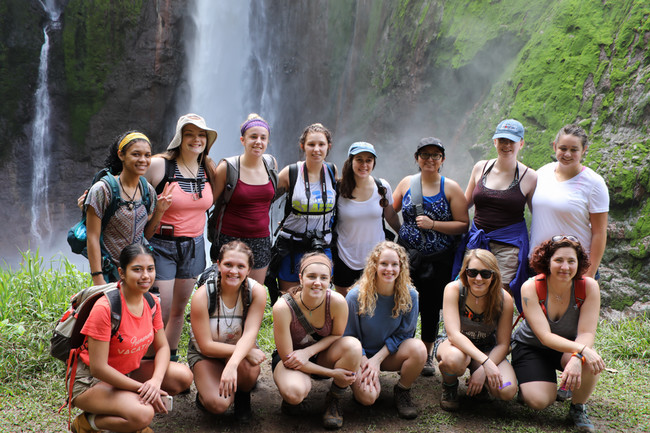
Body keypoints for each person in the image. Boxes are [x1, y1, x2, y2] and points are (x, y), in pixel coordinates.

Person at [68, 244, 193, 433]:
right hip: (90, 382)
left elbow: (163, 348)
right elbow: (98, 368)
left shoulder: (151, 302)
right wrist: (142, 389)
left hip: (127, 372)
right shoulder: (106, 308)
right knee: (143, 414)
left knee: (182, 376)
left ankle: (128, 415)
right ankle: (86, 424)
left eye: (150, 269)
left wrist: (155, 382)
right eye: (137, 269)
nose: (145, 276)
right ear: (122, 273)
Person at [392, 137, 469, 376]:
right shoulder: (407, 183)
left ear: (442, 160)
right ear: (417, 158)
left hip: (439, 258)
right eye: (425, 155)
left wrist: (433, 224)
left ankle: (425, 354)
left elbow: (463, 224)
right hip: (407, 256)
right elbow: (390, 208)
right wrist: (400, 233)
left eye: (436, 155)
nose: (430, 159)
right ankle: (400, 349)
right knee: (401, 300)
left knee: (432, 304)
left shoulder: (451, 188)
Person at [512, 236, 605, 433]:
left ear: (579, 263)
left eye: (571, 261)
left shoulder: (589, 287)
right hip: (532, 346)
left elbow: (587, 332)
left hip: (567, 347)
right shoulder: (531, 287)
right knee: (538, 401)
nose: (565, 267)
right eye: (559, 260)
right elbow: (544, 336)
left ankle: (577, 406)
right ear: (547, 261)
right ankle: (529, 382)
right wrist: (579, 350)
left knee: (589, 360)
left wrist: (577, 357)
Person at [146, 113, 218, 362]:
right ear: (179, 138)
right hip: (161, 246)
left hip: (195, 246)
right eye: (189, 134)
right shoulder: (159, 166)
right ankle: (148, 362)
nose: (196, 139)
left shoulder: (208, 168)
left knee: (178, 311)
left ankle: (171, 360)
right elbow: (127, 184)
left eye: (201, 135)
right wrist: (97, 192)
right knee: (160, 311)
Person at [272, 252, 361, 430]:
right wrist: (334, 374)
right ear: (301, 278)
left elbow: (337, 335)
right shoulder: (283, 307)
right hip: (290, 360)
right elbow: (289, 357)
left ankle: (334, 399)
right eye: (311, 276)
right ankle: (291, 403)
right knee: (294, 392)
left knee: (353, 346)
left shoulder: (337, 302)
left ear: (330, 280)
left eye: (323, 277)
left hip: (322, 355)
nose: (317, 282)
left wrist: (308, 352)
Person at [455, 119, 537, 312]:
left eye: (511, 141)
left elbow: (538, 214)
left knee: (501, 294)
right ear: (494, 142)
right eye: (502, 140)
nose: (506, 145)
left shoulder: (530, 177)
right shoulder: (480, 168)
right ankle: (471, 333)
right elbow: (465, 203)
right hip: (477, 242)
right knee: (470, 288)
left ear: (521, 143)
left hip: (509, 246)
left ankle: (499, 338)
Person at [344, 241, 427, 419]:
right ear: (374, 265)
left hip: (389, 355)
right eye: (383, 263)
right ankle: (359, 381)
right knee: (368, 398)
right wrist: (366, 360)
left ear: (401, 267)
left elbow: (405, 333)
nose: (389, 269)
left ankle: (403, 390)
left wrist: (378, 360)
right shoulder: (355, 296)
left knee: (419, 349)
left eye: (394, 264)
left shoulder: (410, 295)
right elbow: (349, 336)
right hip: (361, 355)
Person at [188, 241, 267, 422]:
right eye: (228, 265)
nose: (233, 271)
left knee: (249, 369)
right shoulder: (203, 295)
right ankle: (204, 395)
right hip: (206, 354)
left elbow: (249, 334)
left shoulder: (257, 292)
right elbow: (206, 346)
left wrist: (233, 363)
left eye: (241, 266)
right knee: (218, 404)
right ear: (218, 265)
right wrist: (246, 352)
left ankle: (242, 397)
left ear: (248, 270)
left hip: (238, 349)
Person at [85, 131, 174, 286]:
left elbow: (145, 234)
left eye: (147, 155)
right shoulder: (102, 190)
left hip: (139, 275)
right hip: (109, 273)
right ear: (121, 155)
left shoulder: (148, 191)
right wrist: (98, 277)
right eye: (136, 154)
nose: (143, 160)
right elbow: (92, 236)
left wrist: (160, 211)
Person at [436, 249, 516, 411]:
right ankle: (449, 385)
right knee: (453, 360)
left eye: (485, 274)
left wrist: (482, 370)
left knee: (507, 389)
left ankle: (481, 383)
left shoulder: (504, 299)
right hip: (455, 347)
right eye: (472, 272)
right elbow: (453, 335)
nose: (478, 278)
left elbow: (503, 344)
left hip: (487, 349)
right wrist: (485, 363)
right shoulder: (454, 289)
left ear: (493, 275)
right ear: (465, 273)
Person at [529, 124, 609, 278]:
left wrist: (589, 274)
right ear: (554, 146)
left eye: (574, 150)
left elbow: (600, 232)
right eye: (563, 148)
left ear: (584, 150)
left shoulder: (594, 183)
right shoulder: (543, 172)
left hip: (572, 267)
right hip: (539, 263)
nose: (567, 154)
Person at [209, 113, 277, 285]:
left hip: (261, 239)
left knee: (254, 293)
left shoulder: (271, 164)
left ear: (268, 141)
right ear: (243, 140)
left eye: (263, 137)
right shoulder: (228, 168)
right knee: (226, 292)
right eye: (253, 137)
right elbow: (209, 201)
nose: (258, 142)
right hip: (230, 239)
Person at [274, 123, 338, 294]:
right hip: (291, 245)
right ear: (302, 146)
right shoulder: (291, 173)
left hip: (322, 245)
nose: (316, 149)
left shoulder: (332, 171)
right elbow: (265, 198)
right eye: (311, 144)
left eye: (321, 144)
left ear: (328, 147)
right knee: (290, 300)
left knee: (319, 297)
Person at [333, 142, 400, 297]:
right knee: (346, 307)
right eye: (359, 159)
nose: (364, 164)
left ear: (373, 163)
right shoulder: (338, 188)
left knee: (373, 304)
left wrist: (405, 237)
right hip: (344, 256)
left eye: (368, 160)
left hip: (376, 258)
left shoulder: (382, 187)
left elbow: (390, 216)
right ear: (351, 161)